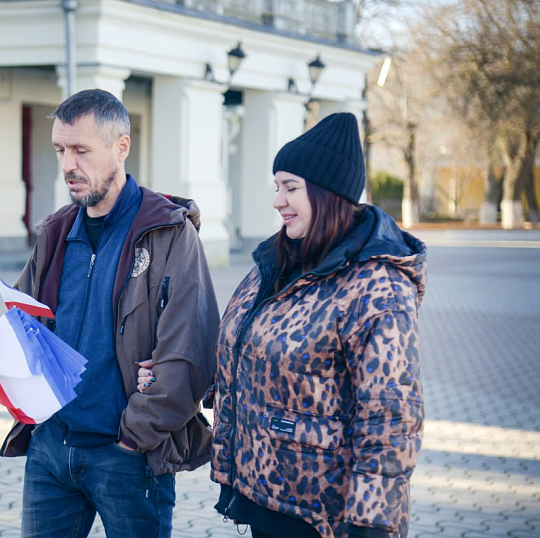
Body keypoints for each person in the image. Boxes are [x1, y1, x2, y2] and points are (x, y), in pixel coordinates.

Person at [139, 113, 426, 538]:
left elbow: (390, 417)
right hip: (265, 491)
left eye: (291, 187)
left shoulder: (376, 286)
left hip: (323, 513)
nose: (277, 200)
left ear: (328, 195)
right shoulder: (277, 262)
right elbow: (242, 350)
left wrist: (370, 523)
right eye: (277, 187)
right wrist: (173, 376)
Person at [0, 89, 220, 538]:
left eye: (81, 150)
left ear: (121, 147)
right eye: (60, 149)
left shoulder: (169, 235)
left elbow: (190, 350)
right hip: (50, 451)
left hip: (127, 458)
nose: (67, 165)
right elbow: (21, 324)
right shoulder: (55, 231)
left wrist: (133, 436)